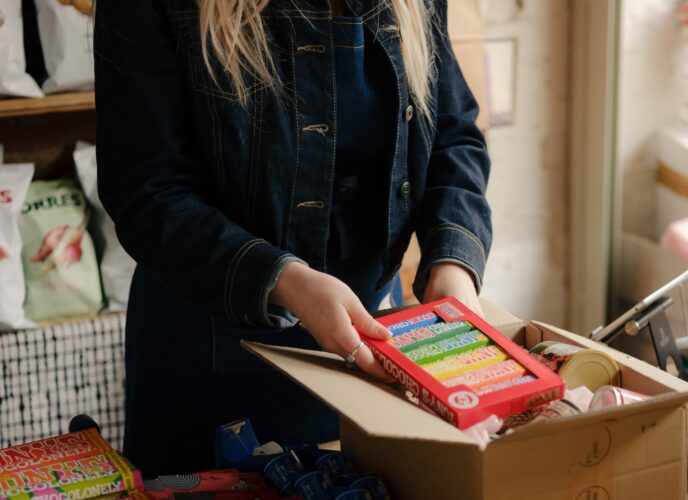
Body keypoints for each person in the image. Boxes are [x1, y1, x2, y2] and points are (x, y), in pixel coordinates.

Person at [93, 0, 491, 475]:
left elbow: (453, 133)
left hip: (371, 343)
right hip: (208, 361)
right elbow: (147, 192)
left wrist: (454, 265)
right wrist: (288, 281)